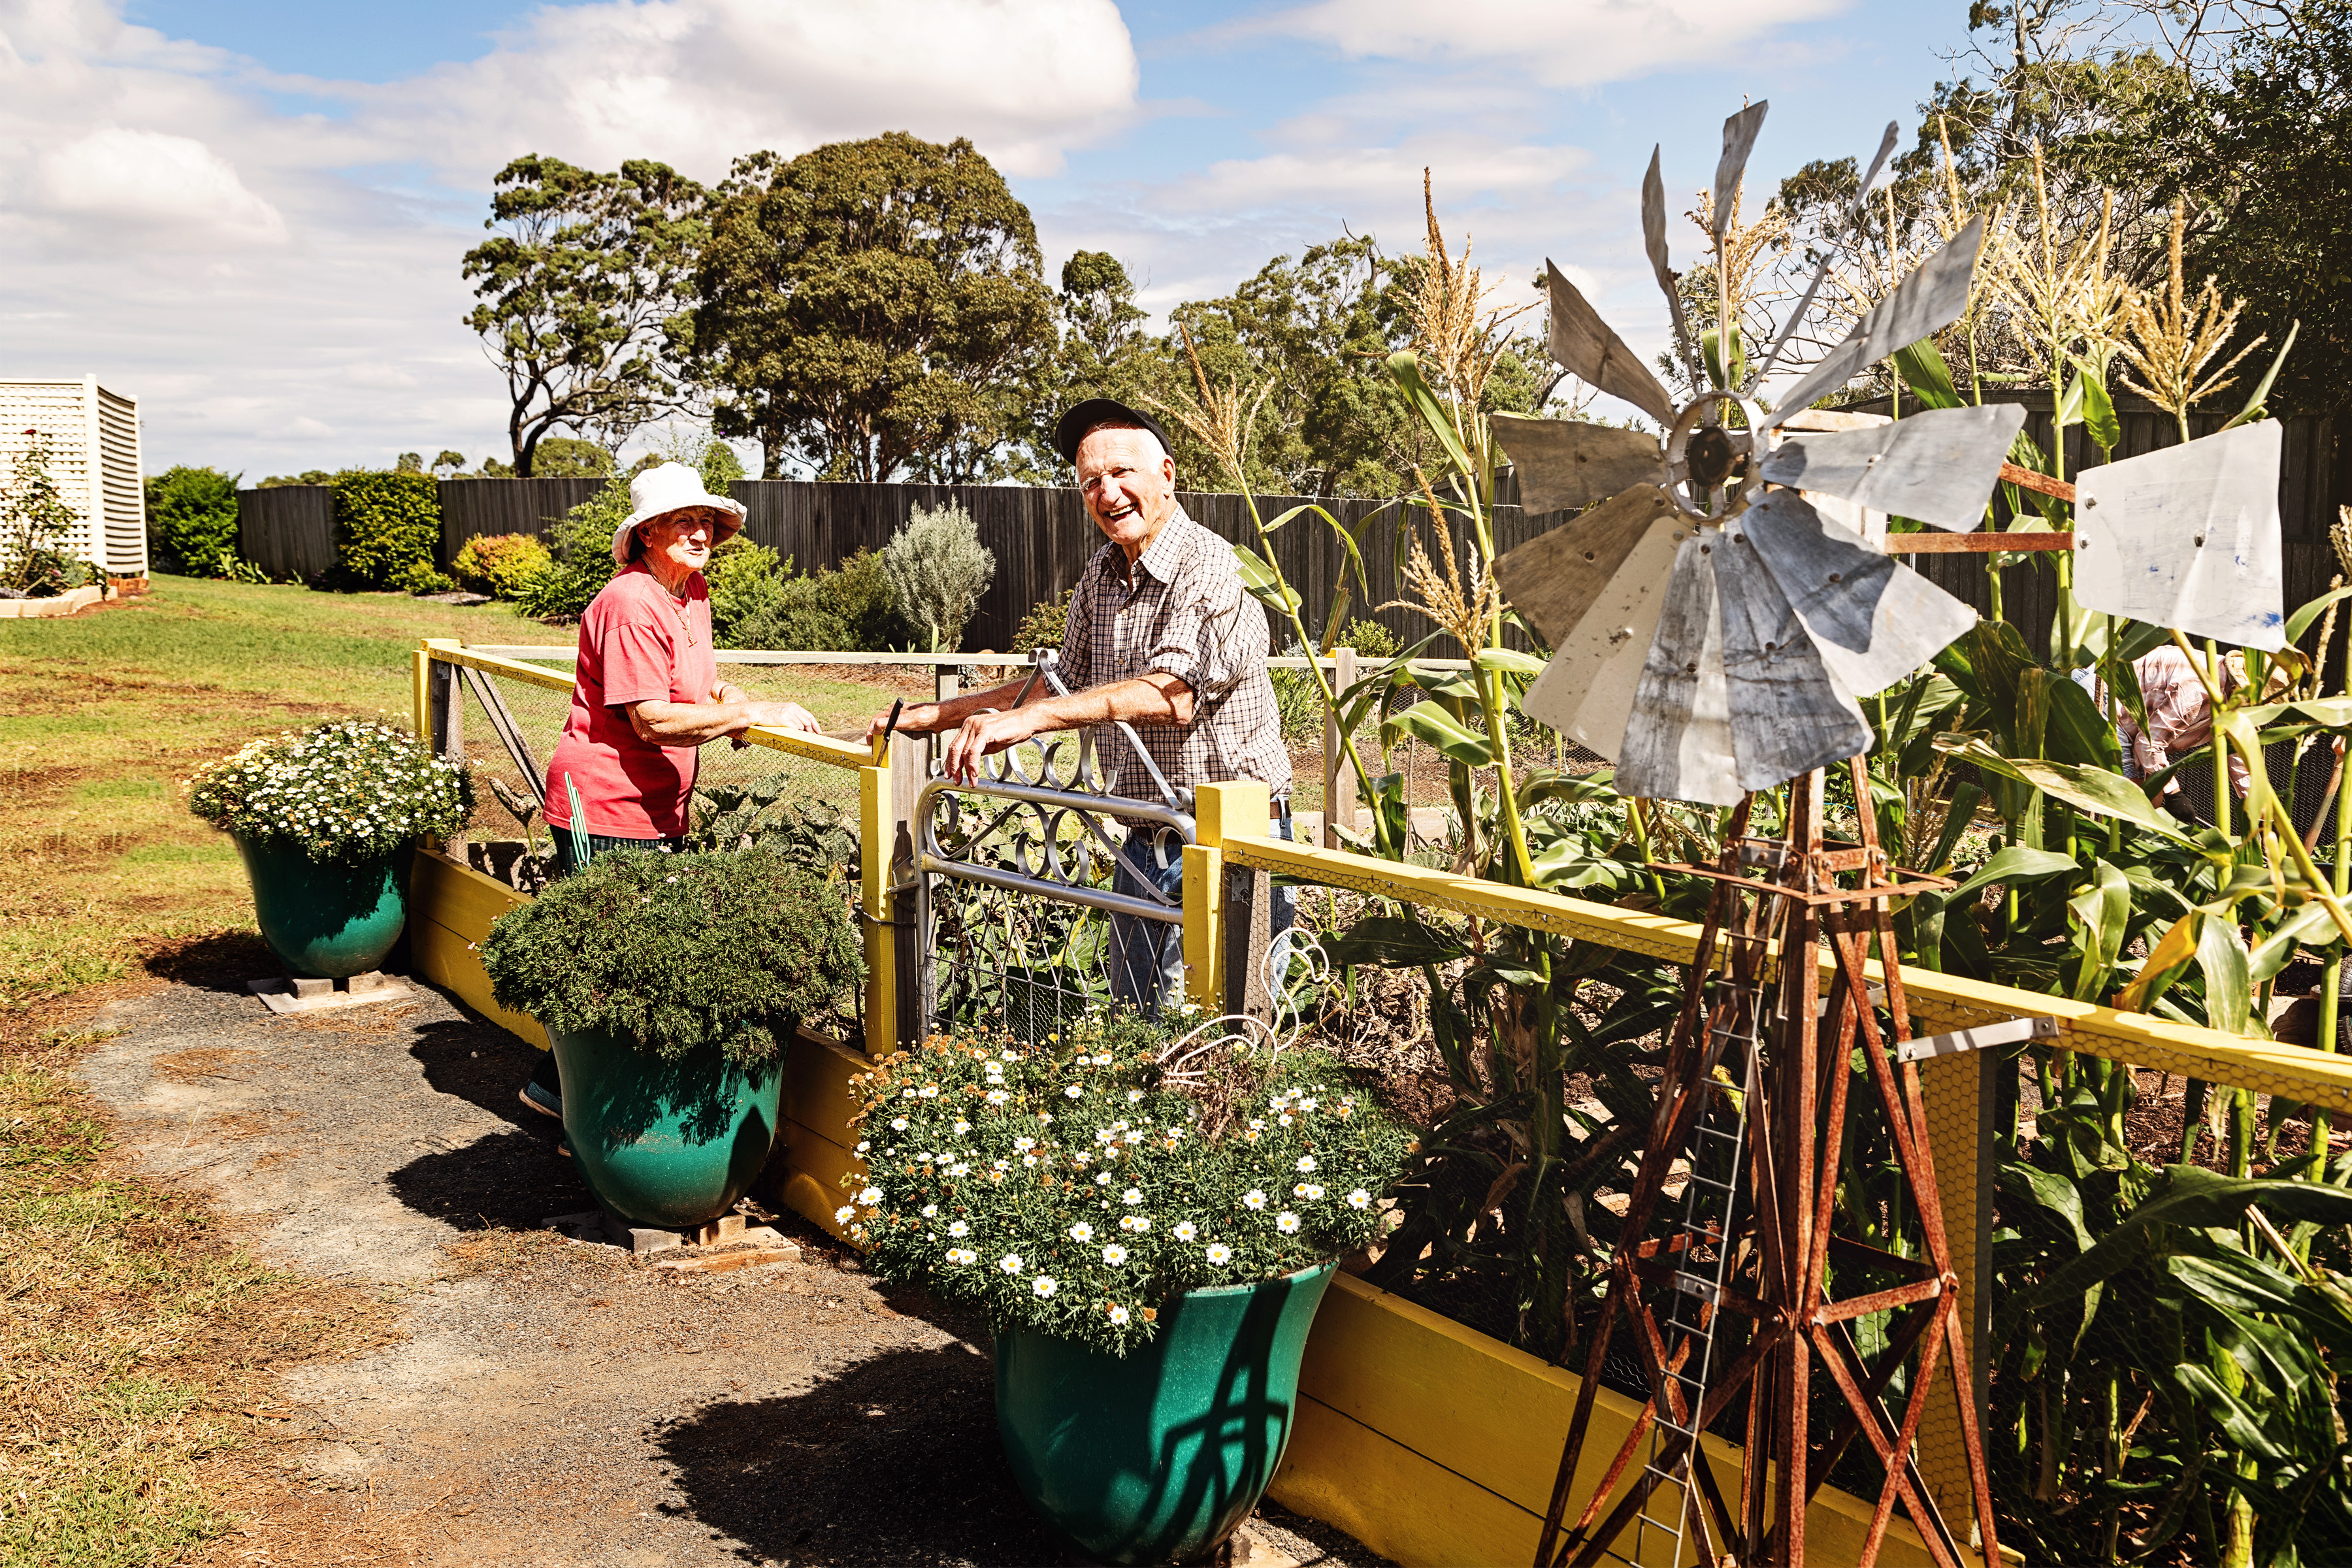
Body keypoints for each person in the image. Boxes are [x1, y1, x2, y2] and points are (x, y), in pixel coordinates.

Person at [863, 399, 1293, 1013]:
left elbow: (1171, 694)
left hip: (1230, 844)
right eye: (1092, 481)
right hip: (1146, 839)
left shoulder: (1209, 564)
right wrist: (934, 717)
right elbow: (1061, 681)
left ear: (1166, 476)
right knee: (1131, 1025)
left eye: (1122, 473)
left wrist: (1030, 720)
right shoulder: (1101, 572)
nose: (1107, 491)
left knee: (1214, 1038)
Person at [517, 461, 822, 1120]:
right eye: (683, 520)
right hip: (605, 805)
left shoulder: (692, 593)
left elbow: (695, 687)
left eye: (706, 521)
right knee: (614, 962)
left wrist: (732, 698)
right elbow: (651, 719)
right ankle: (580, 1107)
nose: (700, 532)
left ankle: (562, 1092)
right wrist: (749, 716)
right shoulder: (630, 603)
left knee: (632, 955)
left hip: (657, 807)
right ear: (648, 533)